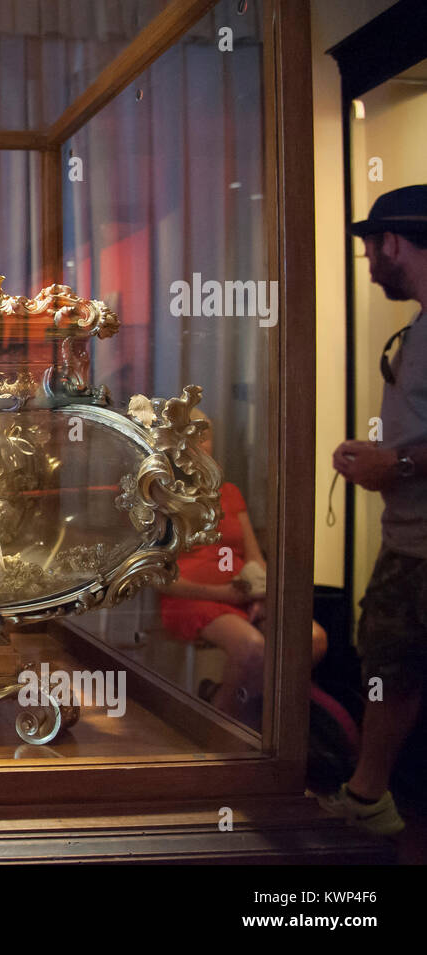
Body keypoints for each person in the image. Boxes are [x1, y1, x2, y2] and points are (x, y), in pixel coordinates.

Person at [323, 184, 427, 837]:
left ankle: (368, 799)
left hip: (420, 546)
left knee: (390, 661)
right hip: (410, 541)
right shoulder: (419, 324)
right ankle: (369, 796)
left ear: (392, 242)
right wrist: (385, 454)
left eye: (369, 250)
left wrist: (399, 465)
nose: (368, 265)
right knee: (391, 662)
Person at [158, 410, 327, 722]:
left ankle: (243, 709)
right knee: (252, 647)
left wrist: (262, 595)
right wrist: (224, 594)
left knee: (313, 639)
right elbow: (157, 576)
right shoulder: (160, 497)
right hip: (190, 599)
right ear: (170, 443)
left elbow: (254, 558)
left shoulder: (229, 492)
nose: (198, 444)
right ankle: (222, 728)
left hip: (242, 595)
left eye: (204, 436)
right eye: (188, 435)